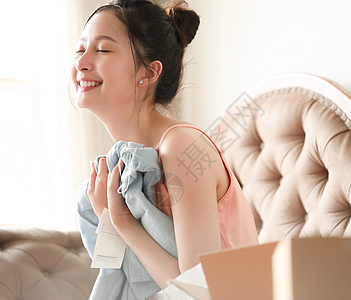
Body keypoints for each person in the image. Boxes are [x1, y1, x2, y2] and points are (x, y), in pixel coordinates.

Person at [72, 0, 258, 291]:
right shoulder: (117, 169)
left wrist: (122, 221)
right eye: (80, 49)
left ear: (148, 73)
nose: (81, 63)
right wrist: (108, 218)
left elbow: (198, 292)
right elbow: (116, 274)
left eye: (103, 49)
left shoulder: (182, 147)